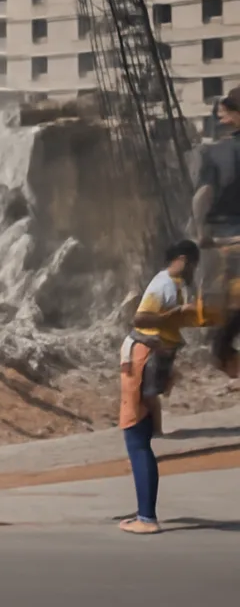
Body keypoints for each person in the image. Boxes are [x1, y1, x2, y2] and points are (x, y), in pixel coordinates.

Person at [118, 238, 201, 534]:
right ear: (182, 259)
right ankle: (145, 513)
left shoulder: (168, 284)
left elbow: (143, 318)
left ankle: (146, 518)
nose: (194, 270)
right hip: (149, 360)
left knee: (136, 441)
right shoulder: (167, 284)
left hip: (143, 361)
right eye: (193, 263)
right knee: (142, 439)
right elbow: (142, 317)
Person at [192, 89, 240, 377]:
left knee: (220, 319)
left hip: (224, 241)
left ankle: (223, 352)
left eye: (223, 111)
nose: (219, 116)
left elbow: (202, 196)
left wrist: (201, 233)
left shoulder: (212, 152)